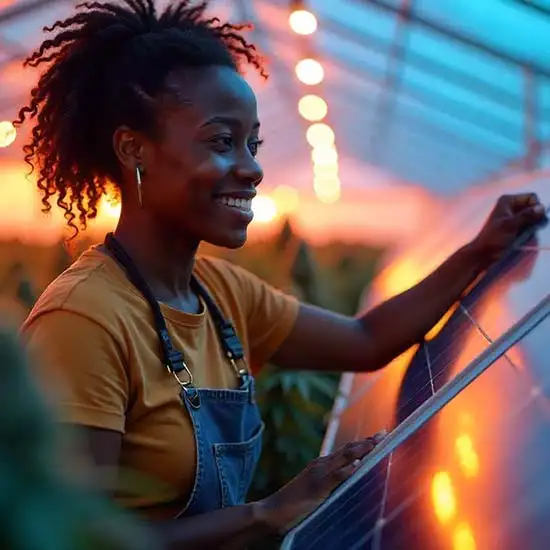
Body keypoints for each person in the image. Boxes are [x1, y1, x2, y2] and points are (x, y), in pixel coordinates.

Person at [16, 0, 546, 548]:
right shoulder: (85, 319)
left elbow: (367, 340)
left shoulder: (221, 295)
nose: (251, 168)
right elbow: (75, 537)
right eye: (223, 142)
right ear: (133, 150)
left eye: (253, 143)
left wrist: (479, 251)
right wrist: (266, 513)